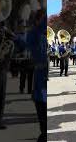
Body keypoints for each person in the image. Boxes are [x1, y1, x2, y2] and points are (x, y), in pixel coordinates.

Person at [26, 10, 46, 142]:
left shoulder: (43, 36)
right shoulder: (34, 34)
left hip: (45, 80)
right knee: (43, 121)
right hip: (40, 83)